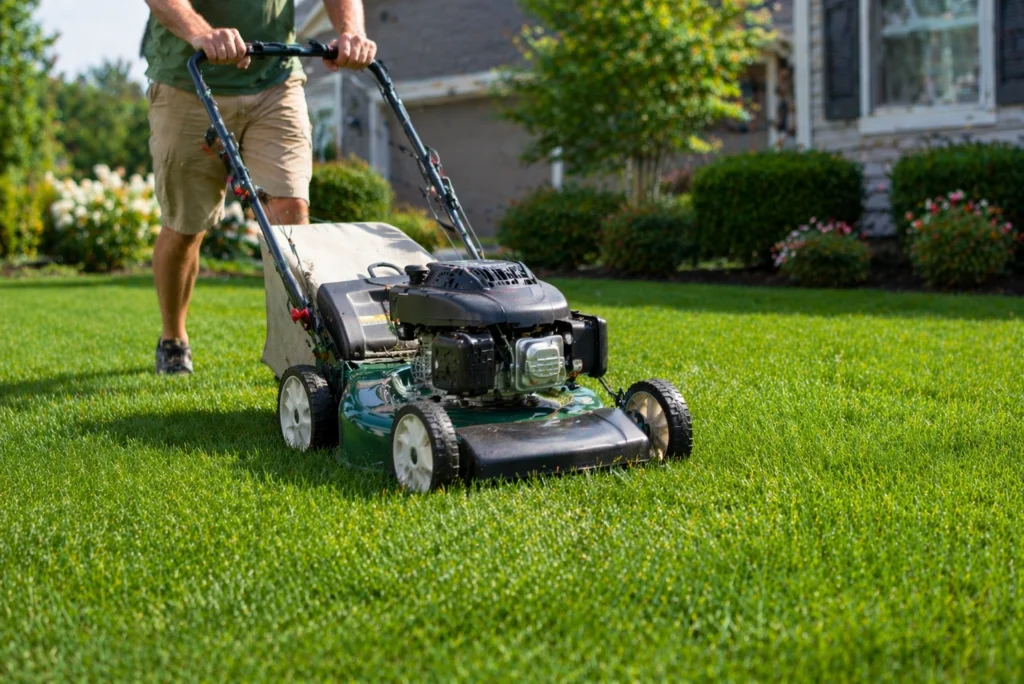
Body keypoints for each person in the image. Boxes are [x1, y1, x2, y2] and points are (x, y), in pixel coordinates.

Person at [142, 0, 377, 375]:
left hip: (276, 79)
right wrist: (201, 34)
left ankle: (301, 349)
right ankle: (174, 337)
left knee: (290, 213)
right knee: (187, 225)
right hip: (188, 80)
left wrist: (351, 32)